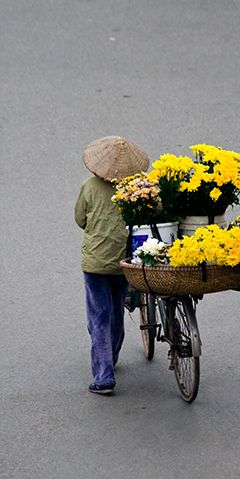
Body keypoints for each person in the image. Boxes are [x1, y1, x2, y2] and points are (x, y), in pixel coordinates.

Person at [75, 136, 149, 395]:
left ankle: (104, 376)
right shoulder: (136, 190)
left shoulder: (89, 186)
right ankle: (112, 355)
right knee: (116, 310)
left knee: (99, 316)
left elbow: (80, 219)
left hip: (95, 263)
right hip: (123, 262)